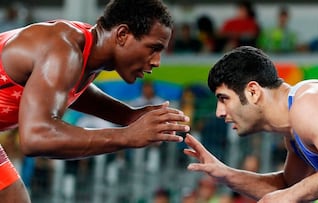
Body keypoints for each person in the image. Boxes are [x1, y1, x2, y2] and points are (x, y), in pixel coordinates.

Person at [0, 0, 190, 202]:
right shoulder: (63, 50)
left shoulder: (85, 48)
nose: (157, 61)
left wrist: (129, 115)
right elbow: (36, 138)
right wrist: (126, 136)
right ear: (122, 34)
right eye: (154, 48)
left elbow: (65, 88)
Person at [183, 45, 318, 202]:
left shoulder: (307, 103)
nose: (219, 112)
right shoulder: (294, 131)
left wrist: (291, 195)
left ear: (253, 92)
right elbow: (288, 188)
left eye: (224, 99)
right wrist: (226, 174)